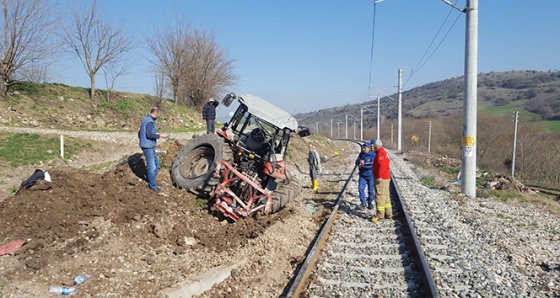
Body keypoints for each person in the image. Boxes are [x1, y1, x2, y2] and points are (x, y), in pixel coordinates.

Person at [138, 107, 169, 193]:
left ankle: (151, 179)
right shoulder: (150, 122)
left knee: (156, 163)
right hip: (148, 147)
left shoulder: (145, 119)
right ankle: (152, 185)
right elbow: (149, 134)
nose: (159, 116)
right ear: (156, 113)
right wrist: (160, 136)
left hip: (147, 145)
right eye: (159, 114)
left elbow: (139, 133)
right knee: (152, 166)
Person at [371, 139, 392, 222]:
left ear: (377, 146)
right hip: (385, 177)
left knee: (379, 196)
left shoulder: (380, 154)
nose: (371, 147)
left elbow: (382, 166)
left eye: (373, 145)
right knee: (385, 196)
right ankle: (388, 213)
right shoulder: (382, 152)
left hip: (381, 178)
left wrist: (379, 176)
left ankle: (380, 216)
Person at [355, 142, 375, 210]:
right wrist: (359, 162)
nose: (363, 149)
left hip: (370, 175)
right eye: (363, 148)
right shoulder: (361, 154)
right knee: (361, 189)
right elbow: (356, 162)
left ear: (369, 148)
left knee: (370, 190)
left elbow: (373, 164)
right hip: (362, 175)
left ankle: (370, 202)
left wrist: (365, 164)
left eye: (365, 148)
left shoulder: (373, 155)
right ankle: (363, 203)